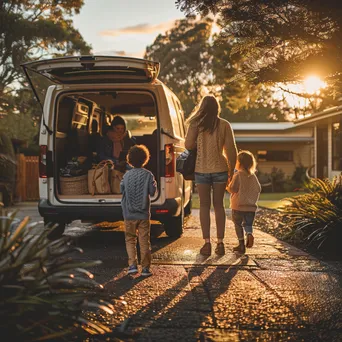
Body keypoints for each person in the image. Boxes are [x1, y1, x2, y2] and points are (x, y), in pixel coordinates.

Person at [185, 95, 237, 256]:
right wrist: (231, 171)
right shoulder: (224, 125)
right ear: (217, 108)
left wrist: (198, 142)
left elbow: (187, 145)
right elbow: (231, 150)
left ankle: (207, 244)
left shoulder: (195, 124)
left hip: (201, 170)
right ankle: (220, 243)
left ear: (202, 108)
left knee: (204, 206)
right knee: (219, 206)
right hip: (220, 169)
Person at [120, 144, 157, 276]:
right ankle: (146, 268)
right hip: (143, 214)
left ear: (129, 159)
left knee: (130, 239)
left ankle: (132, 266)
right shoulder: (148, 175)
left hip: (129, 214)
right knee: (144, 240)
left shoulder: (126, 175)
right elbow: (152, 192)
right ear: (145, 159)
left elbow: (121, 189)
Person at [227, 150, 261, 254]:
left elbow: (233, 189)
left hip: (238, 206)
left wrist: (227, 185)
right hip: (251, 207)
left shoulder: (238, 175)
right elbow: (258, 188)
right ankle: (249, 234)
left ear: (239, 163)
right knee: (248, 224)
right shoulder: (253, 176)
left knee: (238, 224)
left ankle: (241, 245)